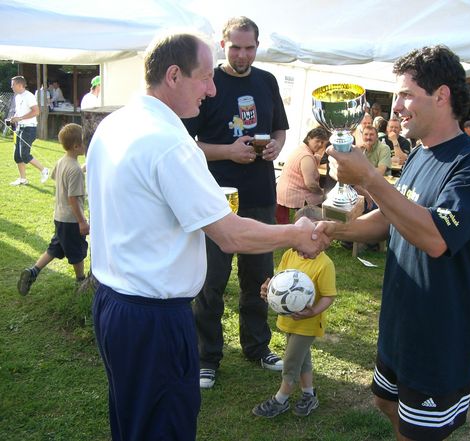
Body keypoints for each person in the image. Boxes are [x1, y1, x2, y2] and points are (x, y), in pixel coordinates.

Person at [87, 32, 326, 441]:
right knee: (165, 426)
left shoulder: (115, 123)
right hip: (153, 318)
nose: (213, 89)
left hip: (113, 304)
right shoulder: (169, 142)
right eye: (205, 79)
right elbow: (229, 236)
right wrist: (296, 233)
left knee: (132, 419)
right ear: (174, 75)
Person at [316, 45, 470, 441]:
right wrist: (336, 231)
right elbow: (390, 215)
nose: (396, 106)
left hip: (439, 335)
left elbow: (435, 238)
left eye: (406, 94)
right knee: (386, 402)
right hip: (401, 321)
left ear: (442, 95)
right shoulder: (419, 155)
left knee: (418, 433)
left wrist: (367, 177)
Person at [181, 16, 290, 389]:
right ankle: (207, 356)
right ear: (222, 44)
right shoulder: (209, 83)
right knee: (210, 280)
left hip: (260, 194)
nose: (243, 55)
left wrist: (277, 144)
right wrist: (228, 151)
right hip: (215, 198)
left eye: (250, 48)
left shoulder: (267, 81)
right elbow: (188, 145)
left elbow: (280, 127)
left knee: (259, 277)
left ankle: (257, 347)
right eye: (236, 47)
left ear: (258, 47)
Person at [253, 205, 336, 418]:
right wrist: (269, 290)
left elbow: (328, 295)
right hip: (290, 320)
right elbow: (282, 281)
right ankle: (309, 395)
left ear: (319, 237)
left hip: (308, 323)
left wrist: (313, 311)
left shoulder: (325, 264)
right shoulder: (290, 255)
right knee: (303, 358)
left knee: (291, 361)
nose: (299, 247)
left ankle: (281, 399)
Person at [17, 123, 89, 295]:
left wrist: (81, 168)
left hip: (59, 216)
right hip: (72, 220)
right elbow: (73, 197)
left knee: (55, 248)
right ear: (76, 146)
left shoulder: (62, 162)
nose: (86, 145)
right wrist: (82, 221)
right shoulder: (75, 171)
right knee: (77, 251)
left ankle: (33, 271)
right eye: (84, 142)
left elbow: (57, 176)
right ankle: (80, 280)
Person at [276, 127, 330, 224]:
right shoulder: (306, 156)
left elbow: (315, 159)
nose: (320, 145)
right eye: (317, 141)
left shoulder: (301, 149)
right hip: (295, 198)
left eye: (322, 143)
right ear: (309, 138)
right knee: (323, 203)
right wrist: (323, 193)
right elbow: (310, 184)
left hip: (284, 195)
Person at [9, 76, 49, 186]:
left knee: (24, 155)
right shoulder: (17, 97)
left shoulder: (29, 96)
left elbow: (36, 111)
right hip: (20, 128)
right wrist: (14, 118)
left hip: (29, 128)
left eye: (13, 84)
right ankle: (23, 179)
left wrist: (20, 118)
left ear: (19, 85)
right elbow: (19, 112)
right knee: (17, 156)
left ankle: (44, 170)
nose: (11, 87)